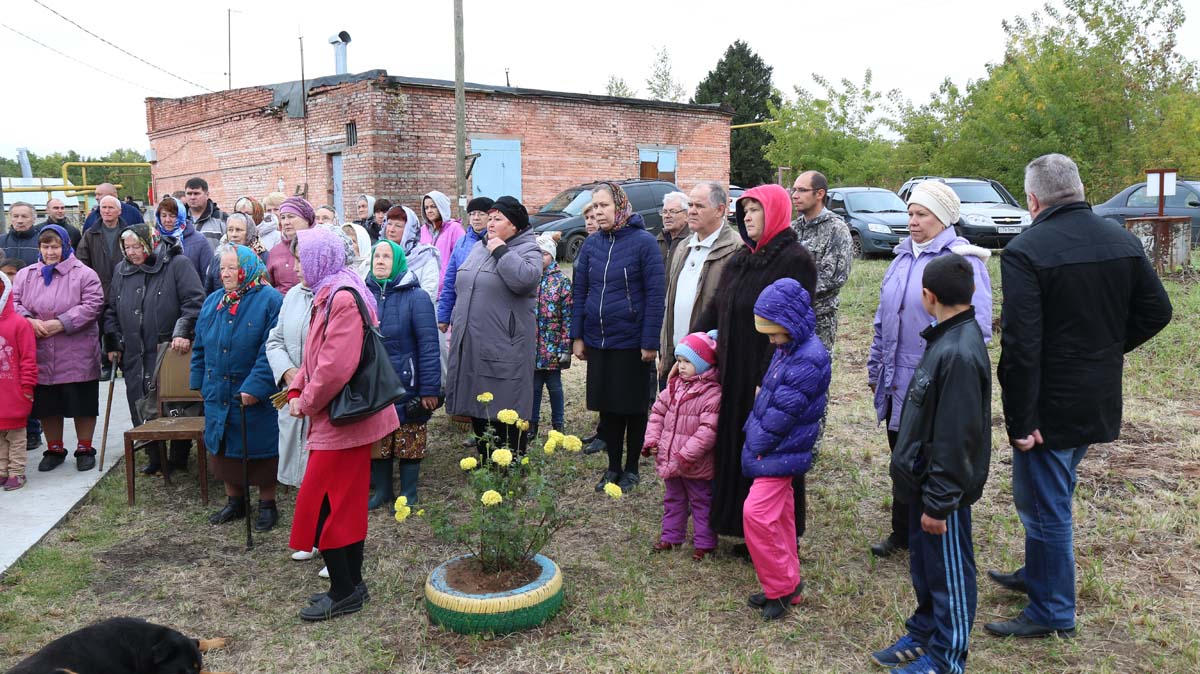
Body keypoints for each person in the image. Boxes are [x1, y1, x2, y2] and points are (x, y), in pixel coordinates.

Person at [986, 154, 1172, 639]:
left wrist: (1021, 420)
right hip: (1096, 393)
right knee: (1048, 494)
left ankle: (1053, 610)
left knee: (1047, 506)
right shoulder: (1122, 239)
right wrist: (1105, 350)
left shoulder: (1027, 250)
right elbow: (1157, 312)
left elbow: (1021, 343)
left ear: (1032, 199)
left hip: (1049, 405)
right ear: (1078, 189)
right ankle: (1039, 574)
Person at [872, 254, 992, 674]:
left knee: (949, 574)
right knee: (926, 568)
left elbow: (958, 436)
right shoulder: (943, 337)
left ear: (928, 296)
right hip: (922, 485)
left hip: (943, 494)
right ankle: (925, 631)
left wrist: (940, 502)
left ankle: (947, 657)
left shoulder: (958, 352)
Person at [867, 181, 992, 559]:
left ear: (943, 218)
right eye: (910, 213)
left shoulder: (961, 261)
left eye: (921, 214)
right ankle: (902, 530)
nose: (913, 221)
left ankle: (930, 533)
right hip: (895, 375)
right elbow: (883, 317)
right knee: (900, 453)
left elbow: (977, 324)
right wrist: (876, 366)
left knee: (929, 454)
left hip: (932, 377)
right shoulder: (902, 257)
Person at [692, 184, 817, 546]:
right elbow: (716, 306)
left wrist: (768, 376)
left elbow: (790, 324)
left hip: (768, 374)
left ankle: (773, 532)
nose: (747, 217)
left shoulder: (795, 260)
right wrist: (692, 349)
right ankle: (739, 525)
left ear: (775, 212)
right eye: (744, 210)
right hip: (733, 369)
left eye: (755, 210)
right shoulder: (741, 258)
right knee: (735, 445)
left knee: (769, 452)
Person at [286, 227, 400, 622]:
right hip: (339, 419)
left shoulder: (342, 299)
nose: (296, 265)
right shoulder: (329, 294)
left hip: (344, 419)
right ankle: (350, 587)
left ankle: (343, 590)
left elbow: (336, 367)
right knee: (343, 503)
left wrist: (307, 401)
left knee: (324, 502)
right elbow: (313, 357)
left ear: (320, 259)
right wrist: (297, 387)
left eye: (301, 258)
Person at [741, 278, 829, 620]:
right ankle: (787, 583)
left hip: (778, 451)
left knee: (758, 515)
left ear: (792, 324)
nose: (772, 340)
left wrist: (757, 444)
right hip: (773, 449)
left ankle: (779, 588)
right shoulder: (788, 349)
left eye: (776, 333)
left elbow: (784, 412)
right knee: (779, 518)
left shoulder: (808, 358)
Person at [570, 182, 666, 493]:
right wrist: (578, 336)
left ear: (621, 206)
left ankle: (632, 468)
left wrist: (650, 341)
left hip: (631, 342)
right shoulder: (591, 245)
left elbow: (654, 296)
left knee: (633, 408)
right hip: (599, 341)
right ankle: (612, 467)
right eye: (594, 206)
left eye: (604, 205)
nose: (598, 212)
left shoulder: (644, 243)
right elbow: (580, 291)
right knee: (608, 408)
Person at [191, 245, 283, 530]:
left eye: (232, 267)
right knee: (224, 448)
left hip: (253, 393)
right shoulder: (214, 302)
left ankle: (267, 504)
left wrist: (255, 387)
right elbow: (200, 346)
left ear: (248, 267)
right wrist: (200, 383)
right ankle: (236, 502)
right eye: (222, 268)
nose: (226, 273)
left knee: (260, 450)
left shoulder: (270, 300)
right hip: (218, 391)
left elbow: (271, 349)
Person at [103, 224, 205, 475]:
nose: (133, 252)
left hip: (167, 350)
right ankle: (153, 454)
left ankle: (179, 456)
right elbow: (110, 310)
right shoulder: (121, 270)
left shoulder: (177, 264)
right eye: (127, 248)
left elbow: (194, 301)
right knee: (139, 400)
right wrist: (113, 342)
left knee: (172, 402)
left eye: (137, 246)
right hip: (134, 352)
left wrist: (182, 331)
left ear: (151, 242)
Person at [445, 196, 542, 456]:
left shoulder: (528, 249)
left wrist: (501, 251)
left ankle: (511, 462)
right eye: (490, 218)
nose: (490, 223)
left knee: (506, 403)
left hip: (505, 343)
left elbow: (524, 280)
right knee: (479, 400)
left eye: (497, 219)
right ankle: (486, 458)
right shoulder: (479, 247)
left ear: (515, 226)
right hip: (473, 339)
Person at [12, 225, 105, 472]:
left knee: (81, 400)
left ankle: (84, 447)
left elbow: (93, 305)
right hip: (40, 348)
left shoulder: (84, 274)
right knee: (47, 402)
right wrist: (29, 321)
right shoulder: (27, 274)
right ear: (39, 248)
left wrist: (60, 324)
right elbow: (15, 301)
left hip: (76, 350)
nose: (50, 252)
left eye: (55, 246)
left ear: (65, 246)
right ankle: (54, 448)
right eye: (45, 246)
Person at [367, 239, 441, 509]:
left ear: (398, 261)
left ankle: (409, 492)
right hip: (376, 384)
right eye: (377, 256)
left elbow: (429, 345)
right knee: (379, 437)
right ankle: (383, 490)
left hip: (407, 382)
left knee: (410, 435)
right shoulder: (364, 294)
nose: (381, 261)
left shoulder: (416, 297)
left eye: (387, 256)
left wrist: (430, 389)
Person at [644, 330, 720, 561]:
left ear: (704, 363)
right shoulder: (674, 387)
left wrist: (686, 455)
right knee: (673, 499)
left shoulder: (712, 394)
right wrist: (652, 441)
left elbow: (708, 431)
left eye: (688, 361)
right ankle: (671, 536)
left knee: (700, 501)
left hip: (694, 462)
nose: (682, 366)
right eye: (679, 361)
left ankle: (705, 543)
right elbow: (657, 415)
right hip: (671, 459)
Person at [659, 182, 739, 390]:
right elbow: (671, 303)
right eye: (690, 205)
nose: (691, 211)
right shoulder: (683, 247)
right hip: (678, 356)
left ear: (720, 210)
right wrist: (667, 355)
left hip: (708, 364)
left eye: (699, 206)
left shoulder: (736, 250)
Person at [790, 170, 853, 353]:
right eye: (794, 190)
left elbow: (834, 277)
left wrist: (792, 293)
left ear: (819, 194)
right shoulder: (794, 228)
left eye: (802, 190)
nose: (795, 195)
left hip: (819, 321)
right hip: (789, 319)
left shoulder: (836, 229)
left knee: (812, 374)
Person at [531, 232, 572, 439]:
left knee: (554, 386)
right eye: (537, 253)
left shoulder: (562, 282)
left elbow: (567, 317)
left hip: (553, 345)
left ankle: (558, 424)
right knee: (534, 388)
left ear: (553, 256)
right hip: (532, 347)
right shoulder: (530, 278)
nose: (540, 258)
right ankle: (532, 424)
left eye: (544, 254)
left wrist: (565, 347)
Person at [0, 270, 37, 490]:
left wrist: (27, 387)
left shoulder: (19, 324)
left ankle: (17, 471)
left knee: (16, 435)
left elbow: (28, 359)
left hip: (14, 391)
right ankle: (2, 469)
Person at [436, 196, 493, 331]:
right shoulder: (461, 243)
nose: (476, 218)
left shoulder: (497, 241)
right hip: (463, 312)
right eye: (472, 214)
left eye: (481, 214)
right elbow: (450, 281)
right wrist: (444, 316)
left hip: (489, 313)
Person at [150, 196, 214, 280]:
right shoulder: (153, 240)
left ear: (181, 215)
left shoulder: (199, 241)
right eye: (163, 215)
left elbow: (208, 276)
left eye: (172, 216)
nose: (167, 220)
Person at [204, 213, 266, 294]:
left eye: (238, 230)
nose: (234, 235)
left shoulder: (261, 256)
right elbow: (208, 292)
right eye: (230, 230)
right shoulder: (218, 258)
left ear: (249, 232)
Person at [419, 190, 465, 296]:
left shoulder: (455, 229)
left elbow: (461, 260)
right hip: (426, 290)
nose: (429, 210)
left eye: (433, 206)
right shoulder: (422, 231)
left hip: (446, 291)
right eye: (426, 208)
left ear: (441, 206)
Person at [266, 197, 315, 294]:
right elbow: (268, 286)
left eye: (291, 216)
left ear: (307, 219)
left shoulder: (318, 247)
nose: (286, 222)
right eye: (283, 217)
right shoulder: (275, 251)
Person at [183, 177, 226, 247]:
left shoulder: (221, 218)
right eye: (189, 193)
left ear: (207, 195)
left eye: (196, 193)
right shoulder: (178, 219)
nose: (192, 197)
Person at [656, 191, 690, 265]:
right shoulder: (659, 241)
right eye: (664, 212)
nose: (667, 216)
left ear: (686, 215)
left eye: (672, 211)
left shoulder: (692, 242)